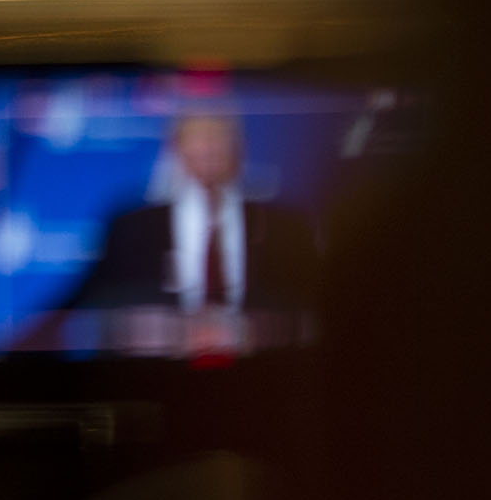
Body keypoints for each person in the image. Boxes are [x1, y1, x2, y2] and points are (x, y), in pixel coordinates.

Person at [50, 113, 320, 354]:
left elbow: (313, 303)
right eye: (197, 138)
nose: (208, 148)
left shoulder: (284, 226)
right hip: (160, 376)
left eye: (217, 137)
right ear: (176, 148)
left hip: (262, 373)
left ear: (239, 147)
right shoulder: (132, 225)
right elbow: (97, 302)